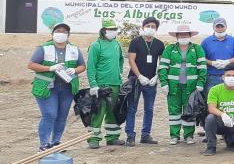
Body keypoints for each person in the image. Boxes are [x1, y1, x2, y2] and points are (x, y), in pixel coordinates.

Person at [28, 23, 86, 151]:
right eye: (58, 31)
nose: (61, 33)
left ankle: (56, 142)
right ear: (52, 34)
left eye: (64, 31)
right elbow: (31, 65)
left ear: (68, 35)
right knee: (49, 114)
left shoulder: (74, 49)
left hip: (67, 88)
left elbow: (82, 66)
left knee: (62, 116)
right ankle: (44, 144)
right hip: (46, 87)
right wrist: (50, 68)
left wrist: (74, 70)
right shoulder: (43, 48)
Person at [158, 24, 207, 145]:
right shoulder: (169, 49)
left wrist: (200, 82)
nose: (183, 36)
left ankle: (188, 136)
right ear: (177, 36)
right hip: (173, 86)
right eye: (181, 35)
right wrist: (164, 83)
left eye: (186, 34)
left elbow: (202, 68)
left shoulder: (197, 49)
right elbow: (163, 67)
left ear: (190, 36)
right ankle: (174, 136)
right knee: (174, 112)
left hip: (191, 87)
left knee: (189, 111)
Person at [124, 17, 165, 146]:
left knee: (149, 109)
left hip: (151, 81)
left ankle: (145, 134)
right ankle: (130, 135)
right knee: (132, 108)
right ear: (143, 27)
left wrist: (157, 76)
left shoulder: (159, 44)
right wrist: (139, 76)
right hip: (135, 80)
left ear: (156, 29)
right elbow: (131, 60)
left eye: (153, 26)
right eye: (148, 26)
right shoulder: (135, 42)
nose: (150, 28)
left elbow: (162, 62)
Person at [85, 19, 125, 148]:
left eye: (115, 29)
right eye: (110, 29)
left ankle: (112, 137)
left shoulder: (117, 44)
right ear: (103, 30)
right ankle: (94, 139)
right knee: (98, 112)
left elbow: (121, 60)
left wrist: (119, 72)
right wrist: (93, 84)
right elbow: (91, 67)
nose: (113, 31)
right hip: (101, 84)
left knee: (113, 112)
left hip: (115, 84)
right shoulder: (96, 45)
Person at [203, 64, 234, 155]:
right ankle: (211, 147)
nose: (231, 78)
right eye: (228, 75)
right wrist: (223, 115)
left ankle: (229, 140)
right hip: (220, 122)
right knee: (210, 118)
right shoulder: (215, 90)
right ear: (223, 77)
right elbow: (211, 108)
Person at [201, 17, 234, 92]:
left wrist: (228, 62)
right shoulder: (206, 42)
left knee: (228, 97)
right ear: (213, 27)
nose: (220, 29)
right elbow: (201, 58)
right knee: (211, 98)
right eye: (217, 26)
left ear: (226, 27)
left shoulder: (233, 41)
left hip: (229, 76)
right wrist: (212, 63)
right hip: (211, 76)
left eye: (222, 26)